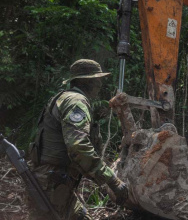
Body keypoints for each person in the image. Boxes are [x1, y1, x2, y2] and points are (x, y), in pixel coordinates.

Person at [28, 59, 128, 219]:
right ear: (86, 81)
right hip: (52, 185)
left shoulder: (65, 98)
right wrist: (112, 180)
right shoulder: (76, 102)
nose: (100, 84)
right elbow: (78, 146)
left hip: (53, 182)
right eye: (97, 79)